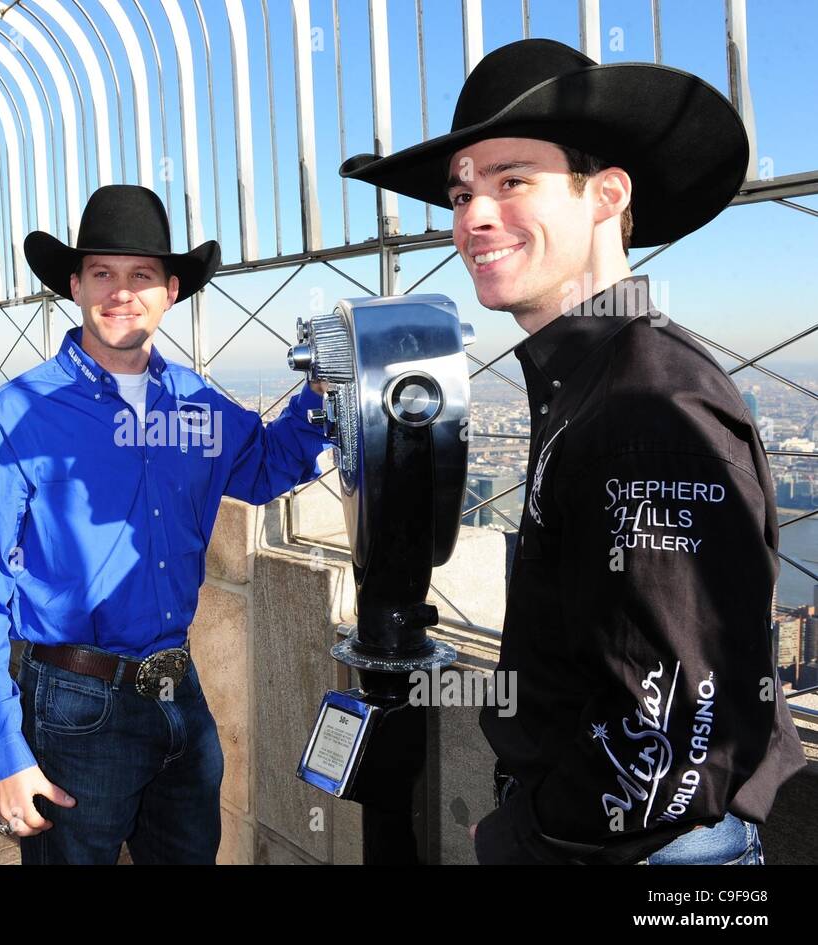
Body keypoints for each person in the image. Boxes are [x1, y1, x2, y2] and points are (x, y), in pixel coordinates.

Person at [341, 38, 807, 865]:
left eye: (512, 180)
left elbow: (672, 731)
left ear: (606, 195)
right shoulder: (590, 382)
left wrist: (526, 835)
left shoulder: (649, 407)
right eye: (461, 192)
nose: (473, 216)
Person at [0, 184, 333, 864]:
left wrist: (323, 390)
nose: (122, 292)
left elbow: (264, 469)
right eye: (103, 274)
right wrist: (1, 749)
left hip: (179, 690)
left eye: (141, 275)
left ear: (171, 291)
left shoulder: (196, 402)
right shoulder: (20, 413)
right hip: (73, 705)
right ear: (76, 286)